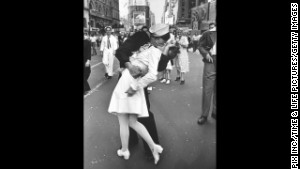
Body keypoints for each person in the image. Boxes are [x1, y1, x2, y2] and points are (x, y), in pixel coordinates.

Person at [109, 24, 178, 164]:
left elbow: (159, 68)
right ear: (152, 36)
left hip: (140, 81)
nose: (161, 43)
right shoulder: (139, 37)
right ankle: (131, 141)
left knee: (143, 113)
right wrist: (130, 66)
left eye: (163, 41)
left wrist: (166, 56)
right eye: (159, 40)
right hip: (128, 78)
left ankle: (150, 148)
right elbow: (121, 51)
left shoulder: (160, 46)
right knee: (130, 112)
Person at [197, 22, 217, 125]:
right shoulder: (208, 33)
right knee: (207, 89)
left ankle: (215, 112)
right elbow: (200, 46)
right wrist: (205, 53)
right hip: (211, 61)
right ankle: (204, 115)